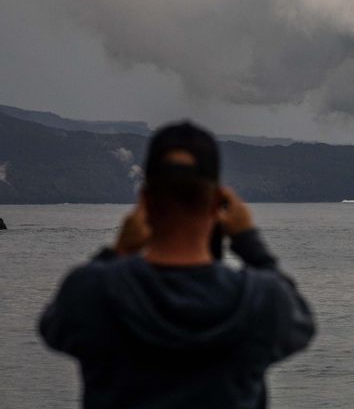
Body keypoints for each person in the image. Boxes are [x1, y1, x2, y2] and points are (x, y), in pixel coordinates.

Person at [38, 122, 315, 409]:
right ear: (218, 202)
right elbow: (302, 324)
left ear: (145, 200)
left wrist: (118, 251)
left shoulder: (93, 291)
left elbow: (53, 327)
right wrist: (250, 245)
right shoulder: (262, 299)